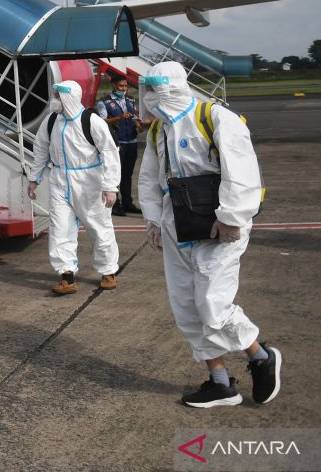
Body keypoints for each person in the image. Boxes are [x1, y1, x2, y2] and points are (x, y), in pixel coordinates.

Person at [137, 61, 280, 408]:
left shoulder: (215, 118)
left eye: (157, 89)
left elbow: (242, 171)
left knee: (213, 306)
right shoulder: (159, 131)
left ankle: (260, 356)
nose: (152, 97)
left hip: (220, 227)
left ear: (173, 87)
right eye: (149, 89)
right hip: (177, 228)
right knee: (187, 309)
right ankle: (219, 383)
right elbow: (148, 178)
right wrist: (154, 221)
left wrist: (231, 216)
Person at [28, 81, 121, 294]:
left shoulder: (92, 121)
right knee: (60, 229)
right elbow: (41, 148)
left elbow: (109, 152)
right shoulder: (51, 121)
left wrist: (110, 186)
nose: (54, 100)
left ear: (68, 97)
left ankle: (108, 271)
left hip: (90, 182)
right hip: (59, 180)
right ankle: (66, 276)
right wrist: (35, 178)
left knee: (99, 227)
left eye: (57, 96)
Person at [95, 73, 143, 216]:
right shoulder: (104, 102)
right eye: (121, 86)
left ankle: (128, 203)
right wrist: (119, 118)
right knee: (116, 174)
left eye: (126, 86)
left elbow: (135, 118)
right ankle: (116, 205)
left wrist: (138, 125)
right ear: (114, 85)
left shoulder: (131, 99)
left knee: (128, 174)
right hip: (117, 142)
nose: (124, 89)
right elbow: (102, 121)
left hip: (132, 142)